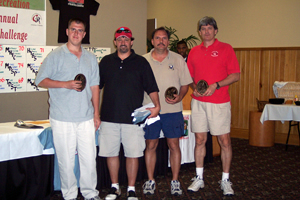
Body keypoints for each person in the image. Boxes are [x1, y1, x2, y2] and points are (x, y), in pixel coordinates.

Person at [35, 18, 100, 200]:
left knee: (88, 159)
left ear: (84, 34)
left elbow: (95, 87)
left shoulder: (91, 58)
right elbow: (40, 80)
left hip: (86, 117)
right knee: (66, 161)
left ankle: (90, 193)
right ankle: (70, 195)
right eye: (73, 29)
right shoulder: (56, 56)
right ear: (67, 31)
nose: (76, 33)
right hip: (62, 118)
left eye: (80, 30)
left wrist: (96, 113)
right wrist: (65, 84)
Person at [98, 27, 160, 200]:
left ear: (132, 42)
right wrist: (95, 113)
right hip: (109, 117)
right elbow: (96, 88)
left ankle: (131, 189)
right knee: (111, 153)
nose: (123, 42)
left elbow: (152, 87)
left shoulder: (141, 62)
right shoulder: (106, 62)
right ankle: (114, 187)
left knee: (132, 154)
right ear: (115, 42)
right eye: (120, 39)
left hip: (133, 118)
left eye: (126, 39)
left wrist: (157, 105)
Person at [186, 16, 240, 196]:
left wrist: (215, 85)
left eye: (210, 28)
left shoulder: (226, 48)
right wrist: (196, 89)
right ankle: (199, 178)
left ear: (215, 31)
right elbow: (190, 78)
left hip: (219, 102)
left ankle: (225, 180)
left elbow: (235, 75)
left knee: (224, 141)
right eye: (203, 29)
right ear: (199, 32)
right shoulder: (193, 51)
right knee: (200, 140)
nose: (206, 31)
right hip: (198, 102)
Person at [142, 27, 193, 196]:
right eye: (157, 38)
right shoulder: (143, 61)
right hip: (150, 111)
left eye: (164, 38)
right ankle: (150, 181)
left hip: (172, 111)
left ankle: (175, 181)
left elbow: (185, 84)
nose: (161, 41)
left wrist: (180, 97)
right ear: (152, 41)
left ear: (168, 41)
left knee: (174, 145)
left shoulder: (178, 59)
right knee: (151, 145)